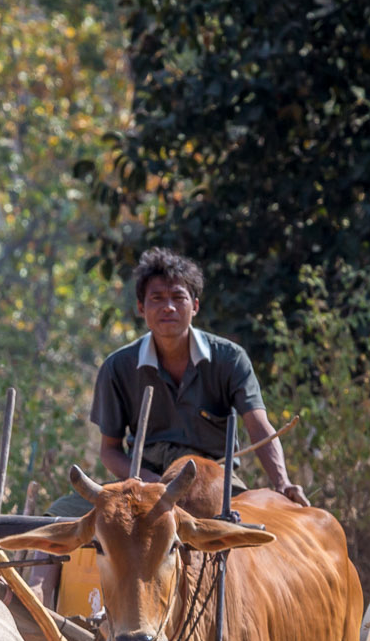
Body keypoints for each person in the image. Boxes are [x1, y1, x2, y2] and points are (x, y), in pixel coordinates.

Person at [35, 249, 305, 604]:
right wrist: (149, 482)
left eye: (178, 298)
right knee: (55, 520)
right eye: (157, 299)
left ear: (195, 305)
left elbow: (259, 427)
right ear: (140, 308)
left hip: (216, 483)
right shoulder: (119, 367)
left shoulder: (229, 359)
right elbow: (110, 450)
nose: (168, 308)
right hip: (141, 483)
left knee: (251, 534)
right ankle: (36, 606)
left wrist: (282, 483)